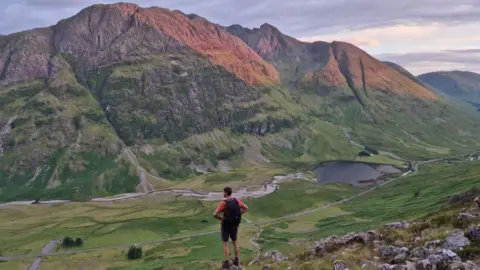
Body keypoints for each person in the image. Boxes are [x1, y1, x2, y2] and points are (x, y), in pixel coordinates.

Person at [213, 187, 249, 268]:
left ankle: (227, 262)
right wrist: (239, 214)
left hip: (225, 225)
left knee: (225, 243)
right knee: (235, 242)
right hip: (234, 224)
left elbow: (214, 214)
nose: (223, 193)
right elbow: (246, 208)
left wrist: (221, 218)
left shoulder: (223, 202)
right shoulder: (236, 200)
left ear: (226, 193)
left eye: (223, 192)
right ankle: (236, 260)